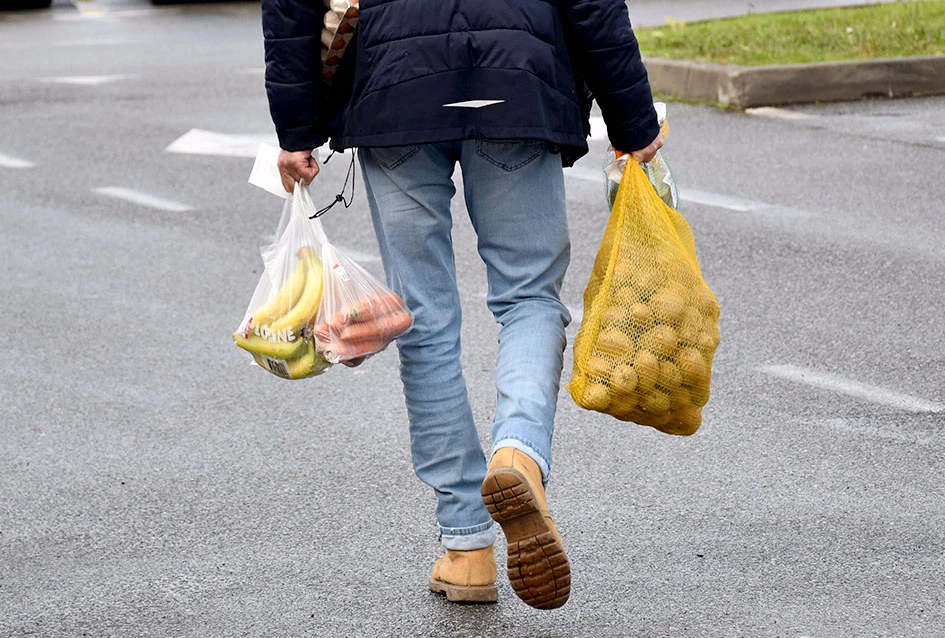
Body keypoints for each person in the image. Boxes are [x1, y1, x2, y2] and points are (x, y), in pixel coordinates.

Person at [261, 0, 663, 610]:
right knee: (529, 297)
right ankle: (518, 453)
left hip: (396, 87)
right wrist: (633, 120)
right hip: (517, 81)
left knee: (422, 320)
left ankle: (467, 546)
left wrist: (296, 130)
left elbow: (290, 6)